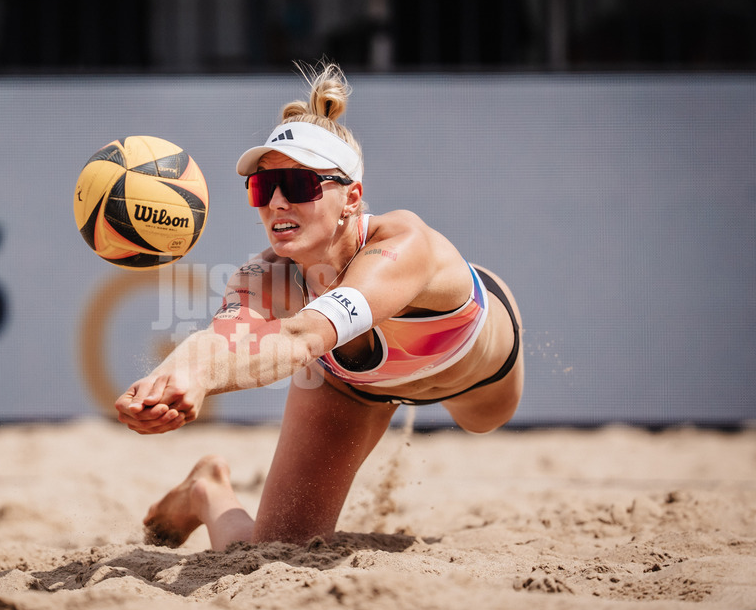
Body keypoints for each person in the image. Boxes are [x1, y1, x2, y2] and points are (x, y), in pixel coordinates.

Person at [115, 62, 523, 551]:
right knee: (276, 548)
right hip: (355, 387)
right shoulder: (261, 275)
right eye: (263, 187)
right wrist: (170, 375)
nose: (277, 202)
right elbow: (224, 340)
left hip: (473, 375)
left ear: (352, 198)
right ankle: (207, 490)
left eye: (300, 185)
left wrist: (200, 378)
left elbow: (303, 336)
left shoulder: (403, 243)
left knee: (484, 422)